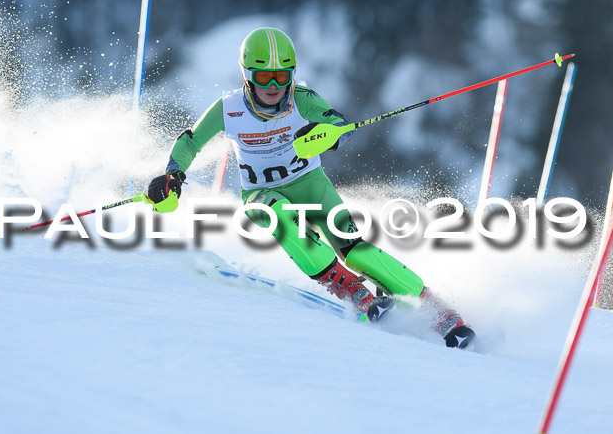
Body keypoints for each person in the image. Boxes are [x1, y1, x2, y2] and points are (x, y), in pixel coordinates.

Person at [147, 27, 475, 348]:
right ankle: (346, 287)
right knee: (275, 213)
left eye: (282, 75)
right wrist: (174, 175)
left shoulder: (300, 99)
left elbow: (335, 121)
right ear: (247, 75)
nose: (275, 86)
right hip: (261, 194)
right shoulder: (228, 109)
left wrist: (328, 133)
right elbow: (190, 142)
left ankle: (437, 312)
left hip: (311, 186)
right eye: (264, 77)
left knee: (356, 250)